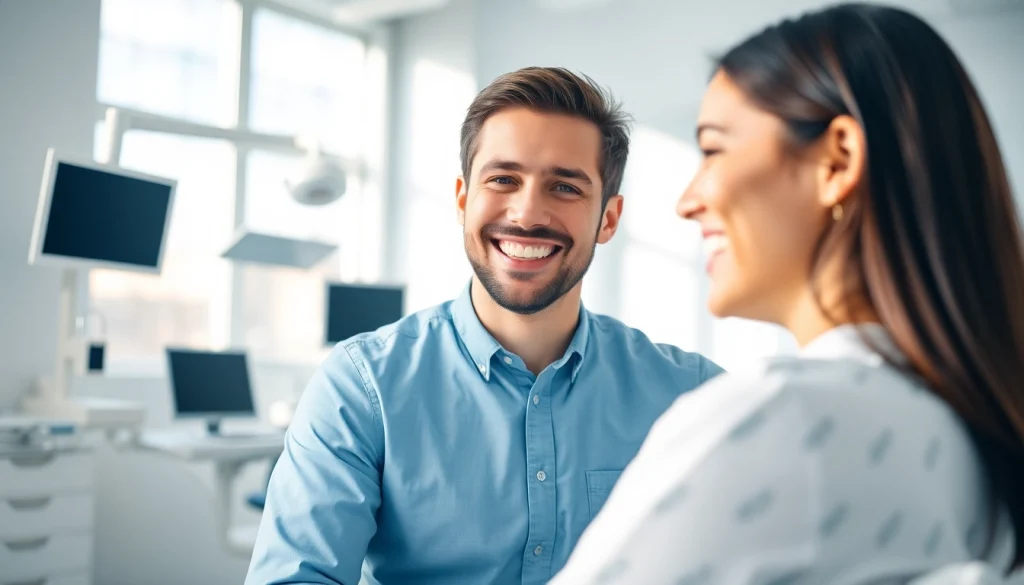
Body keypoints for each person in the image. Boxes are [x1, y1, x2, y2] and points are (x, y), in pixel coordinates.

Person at [549, 4, 1024, 584]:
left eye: (715, 149)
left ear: (837, 161)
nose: (687, 200)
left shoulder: (784, 416)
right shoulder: (971, 438)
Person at [244, 67, 723, 585]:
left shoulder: (694, 396)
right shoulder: (362, 387)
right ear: (462, 199)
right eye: (503, 179)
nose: (526, 212)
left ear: (608, 219)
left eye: (565, 186)